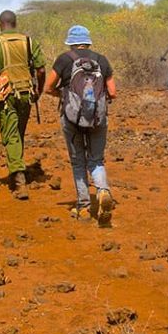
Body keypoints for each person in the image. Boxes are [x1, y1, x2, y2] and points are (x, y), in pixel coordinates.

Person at [43, 25, 116, 226]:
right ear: (88, 41)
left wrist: (64, 95)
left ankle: (84, 208)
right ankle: (102, 191)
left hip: (71, 118)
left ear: (70, 43)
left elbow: (47, 88)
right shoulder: (101, 60)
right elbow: (113, 92)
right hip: (98, 119)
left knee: (78, 162)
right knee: (96, 160)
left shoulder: (64, 60)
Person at [0, 9, 46, 200]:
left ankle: (19, 180)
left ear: (0, 24)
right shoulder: (29, 42)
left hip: (6, 97)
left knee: (11, 135)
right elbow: (40, 70)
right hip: (26, 94)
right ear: (15, 23)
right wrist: (39, 90)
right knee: (18, 133)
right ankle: (18, 166)